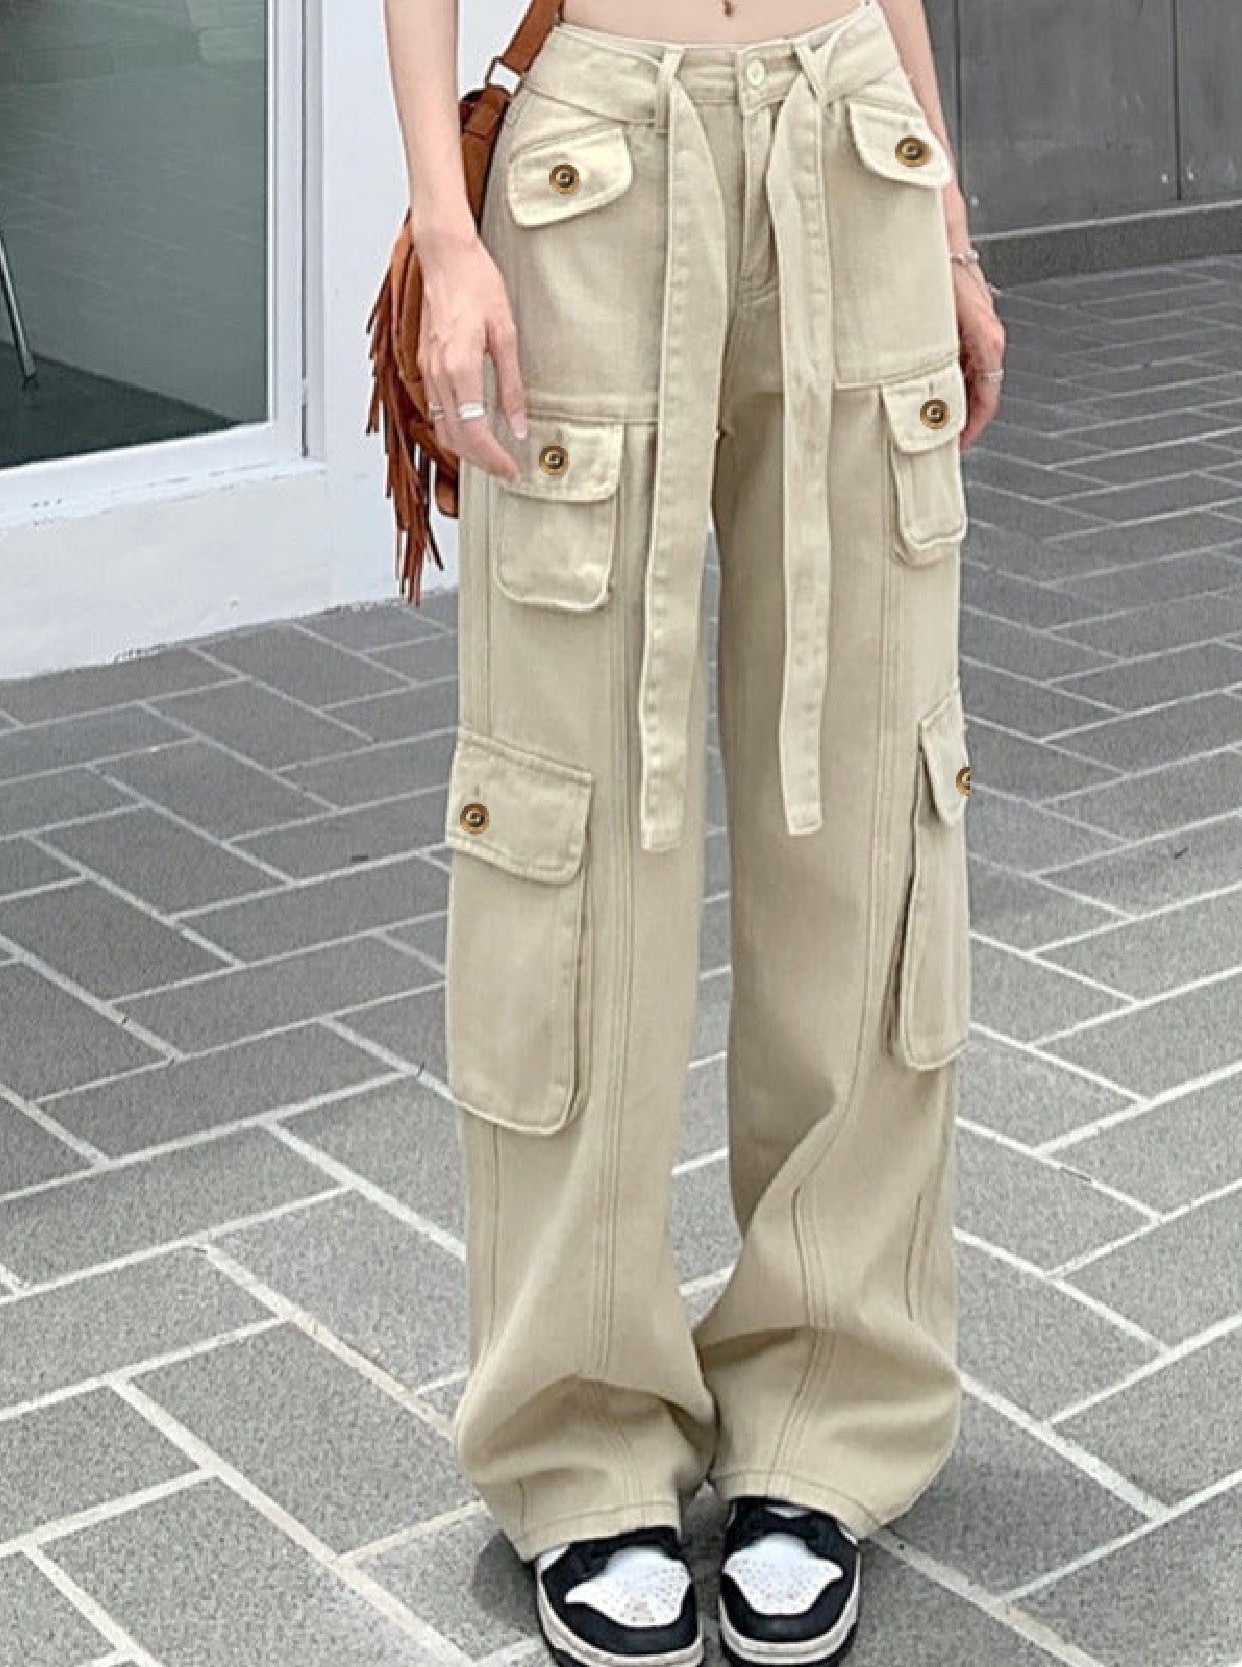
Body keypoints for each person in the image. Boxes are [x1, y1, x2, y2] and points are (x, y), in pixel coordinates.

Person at [381, 1, 1006, 1663]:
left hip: (855, 140)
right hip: (595, 161)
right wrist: (446, 233)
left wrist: (948, 222)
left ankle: (829, 1408)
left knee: (871, 810)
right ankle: (579, 1437)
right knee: (573, 827)